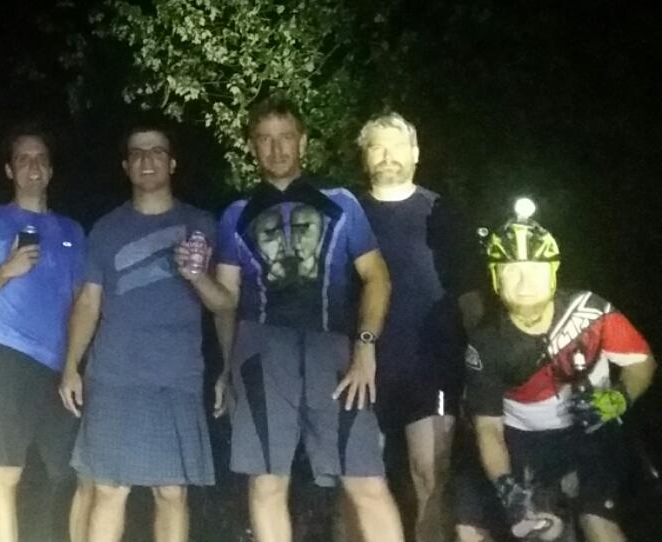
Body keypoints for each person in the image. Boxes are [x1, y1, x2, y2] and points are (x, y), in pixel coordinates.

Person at [212, 97, 404, 542]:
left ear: (302, 141)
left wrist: (366, 345)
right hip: (261, 351)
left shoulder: (340, 202)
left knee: (366, 480)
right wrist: (225, 369)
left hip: (332, 350)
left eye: (285, 138)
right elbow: (226, 301)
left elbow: (377, 277)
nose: (276, 149)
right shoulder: (235, 214)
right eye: (265, 140)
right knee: (265, 482)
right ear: (252, 147)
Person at [455, 199, 655, 542]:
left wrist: (618, 399)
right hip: (521, 440)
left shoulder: (592, 311)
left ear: (553, 272)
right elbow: (488, 428)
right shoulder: (487, 342)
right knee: (471, 529)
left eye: (534, 269)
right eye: (511, 271)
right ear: (495, 278)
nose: (523, 280)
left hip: (589, 434)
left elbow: (642, 363)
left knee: (597, 521)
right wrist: (506, 487)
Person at [59, 122, 216, 542]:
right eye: (138, 153)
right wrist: (71, 366)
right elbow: (89, 302)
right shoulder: (106, 229)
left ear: (172, 162)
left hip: (177, 376)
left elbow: (224, 304)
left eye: (157, 152)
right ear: (127, 167)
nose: (148, 160)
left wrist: (198, 276)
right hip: (114, 375)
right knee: (109, 488)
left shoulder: (199, 224)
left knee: (171, 491)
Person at [0, 126, 93, 542]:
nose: (32, 166)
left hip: (59, 363)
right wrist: (6, 269)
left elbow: (80, 304)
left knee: (79, 474)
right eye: (23, 159)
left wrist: (73, 364)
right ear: (9, 169)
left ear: (50, 170)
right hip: (6, 356)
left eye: (40, 159)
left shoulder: (72, 232)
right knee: (6, 473)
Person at [356, 112, 484, 542]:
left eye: (397, 145)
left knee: (432, 477)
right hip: (362, 368)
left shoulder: (444, 213)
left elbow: (469, 294)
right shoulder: (347, 213)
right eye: (377, 145)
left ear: (415, 152)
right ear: (364, 155)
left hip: (434, 367)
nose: (388, 155)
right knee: (357, 481)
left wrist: (480, 365)